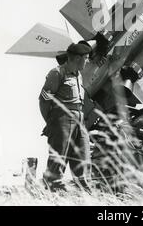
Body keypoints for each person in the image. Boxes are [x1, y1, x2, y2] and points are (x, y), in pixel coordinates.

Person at [39, 42, 92, 193]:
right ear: (77, 58)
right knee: (59, 157)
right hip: (62, 118)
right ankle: (53, 188)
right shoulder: (57, 73)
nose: (87, 61)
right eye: (86, 58)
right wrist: (51, 122)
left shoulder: (78, 74)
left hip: (79, 119)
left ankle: (83, 190)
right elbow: (44, 100)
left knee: (83, 154)